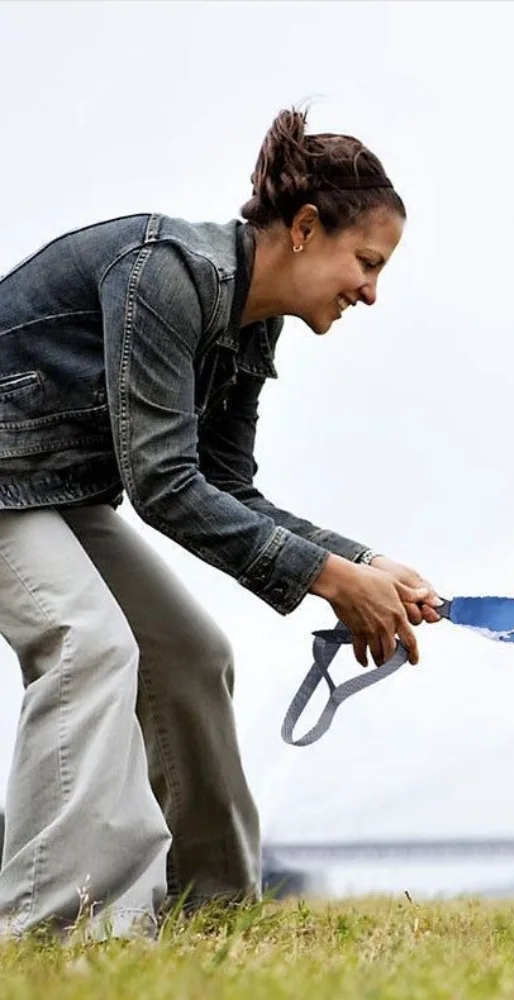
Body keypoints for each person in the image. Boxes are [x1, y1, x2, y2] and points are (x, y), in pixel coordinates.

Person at [0, 106, 442, 938]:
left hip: (51, 487)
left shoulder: (252, 324)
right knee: (88, 645)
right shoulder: (166, 273)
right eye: (368, 263)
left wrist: (366, 562)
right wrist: (334, 582)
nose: (372, 293)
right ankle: (53, 929)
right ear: (306, 228)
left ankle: (213, 915)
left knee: (192, 655)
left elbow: (226, 487)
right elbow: (164, 485)